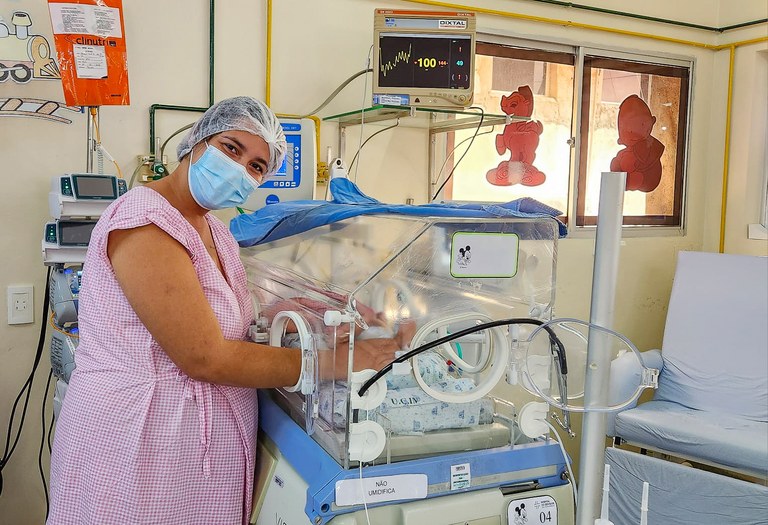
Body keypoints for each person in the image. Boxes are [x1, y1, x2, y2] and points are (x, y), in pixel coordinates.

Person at [47, 97, 398, 525]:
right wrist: (334, 363)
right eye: (232, 148)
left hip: (192, 450)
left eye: (256, 166)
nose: (241, 168)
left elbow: (223, 317)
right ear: (197, 141)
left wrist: (301, 315)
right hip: (138, 441)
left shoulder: (215, 230)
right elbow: (204, 356)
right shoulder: (145, 222)